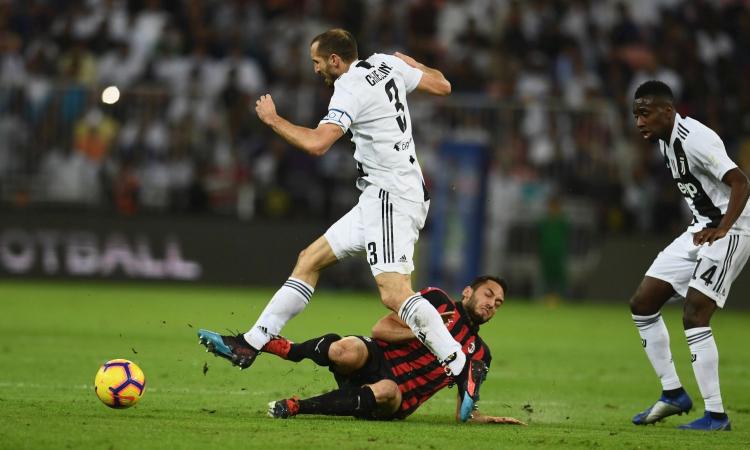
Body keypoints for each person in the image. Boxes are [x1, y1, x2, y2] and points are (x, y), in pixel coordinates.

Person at [198, 29, 482, 411]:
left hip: (390, 195)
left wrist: (273, 119)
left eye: (317, 62)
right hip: (384, 194)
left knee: (394, 292)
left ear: (335, 60)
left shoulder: (348, 87)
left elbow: (317, 143)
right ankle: (252, 343)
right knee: (309, 259)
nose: (316, 70)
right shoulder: (386, 63)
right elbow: (443, 85)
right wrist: (413, 64)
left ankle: (460, 365)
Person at [629, 80, 750, 431]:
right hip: (701, 230)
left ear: (668, 112)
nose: (639, 122)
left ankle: (716, 415)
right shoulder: (665, 143)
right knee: (643, 302)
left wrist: (724, 228)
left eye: (646, 113)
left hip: (733, 230)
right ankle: (673, 393)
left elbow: (740, 182)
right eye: (636, 115)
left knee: (695, 315)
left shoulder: (694, 139)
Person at [261, 275, 524, 424]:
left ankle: (298, 407)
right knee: (347, 350)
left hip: (398, 397)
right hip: (377, 358)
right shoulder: (436, 301)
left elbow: (464, 410)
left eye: (498, 303)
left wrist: (488, 418)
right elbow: (380, 330)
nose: (492, 304)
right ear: (468, 292)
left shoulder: (480, 354)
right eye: (488, 294)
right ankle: (289, 349)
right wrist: (423, 331)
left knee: (387, 389)